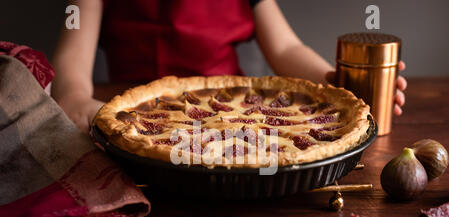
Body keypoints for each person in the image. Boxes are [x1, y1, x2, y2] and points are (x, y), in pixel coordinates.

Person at [51, 0, 407, 134]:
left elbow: (285, 47)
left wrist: (336, 83)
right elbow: (72, 55)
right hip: (138, 114)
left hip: (238, 115)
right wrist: (74, 95)